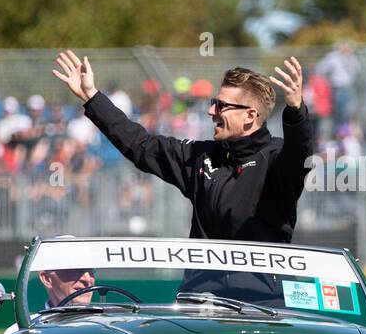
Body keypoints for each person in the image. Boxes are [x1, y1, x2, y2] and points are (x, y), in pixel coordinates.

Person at [53, 50, 314, 243]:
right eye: (214, 101)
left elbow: (299, 151)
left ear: (250, 115)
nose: (211, 111)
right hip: (200, 299)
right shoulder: (200, 156)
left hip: (262, 306)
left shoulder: (277, 159)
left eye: (222, 105)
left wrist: (295, 111)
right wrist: (92, 98)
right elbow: (140, 145)